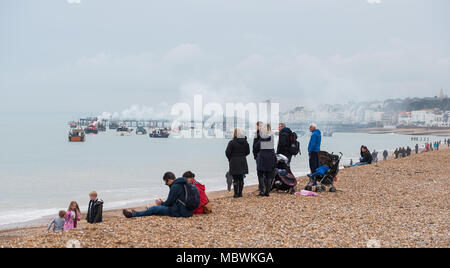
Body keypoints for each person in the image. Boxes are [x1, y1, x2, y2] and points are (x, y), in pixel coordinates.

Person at [123, 172, 197, 218]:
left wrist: (161, 203)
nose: (166, 184)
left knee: (155, 208)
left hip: (180, 212)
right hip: (187, 212)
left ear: (169, 180)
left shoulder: (175, 186)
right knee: (156, 209)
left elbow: (169, 203)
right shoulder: (182, 184)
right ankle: (138, 213)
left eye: (166, 182)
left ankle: (132, 215)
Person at [225, 128, 250, 198]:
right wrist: (242, 156)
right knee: (241, 178)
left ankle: (236, 194)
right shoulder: (245, 142)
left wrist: (230, 159)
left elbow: (227, 152)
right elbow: (248, 152)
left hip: (234, 161)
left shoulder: (232, 142)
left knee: (235, 178)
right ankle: (240, 193)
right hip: (242, 160)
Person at [255, 124, 276, 197]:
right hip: (270, 156)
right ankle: (267, 191)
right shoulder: (272, 137)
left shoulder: (262, 137)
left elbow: (257, 146)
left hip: (263, 157)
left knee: (260, 174)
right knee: (268, 175)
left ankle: (262, 191)